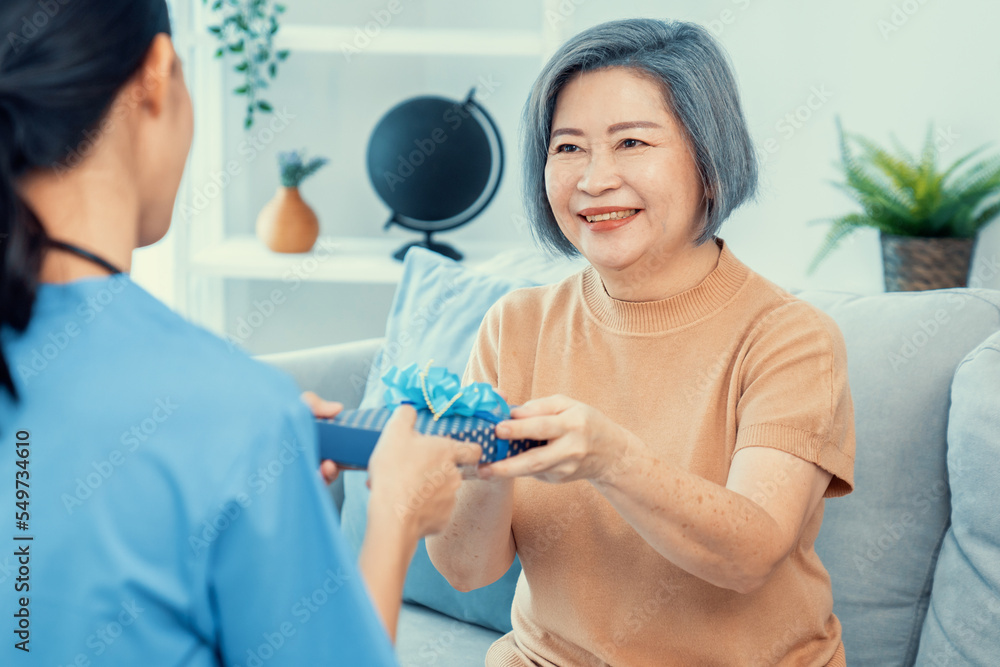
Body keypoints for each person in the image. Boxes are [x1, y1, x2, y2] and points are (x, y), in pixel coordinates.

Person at [0, 1, 479, 664]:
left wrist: (265, 492)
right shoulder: (234, 410)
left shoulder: (238, 420)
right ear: (158, 75)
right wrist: (397, 516)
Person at [426, 18, 855, 667]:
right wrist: (481, 470)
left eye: (631, 142)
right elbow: (464, 568)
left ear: (709, 162)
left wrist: (610, 458)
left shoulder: (791, 339)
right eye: (568, 148)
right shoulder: (516, 324)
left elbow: (750, 554)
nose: (594, 179)